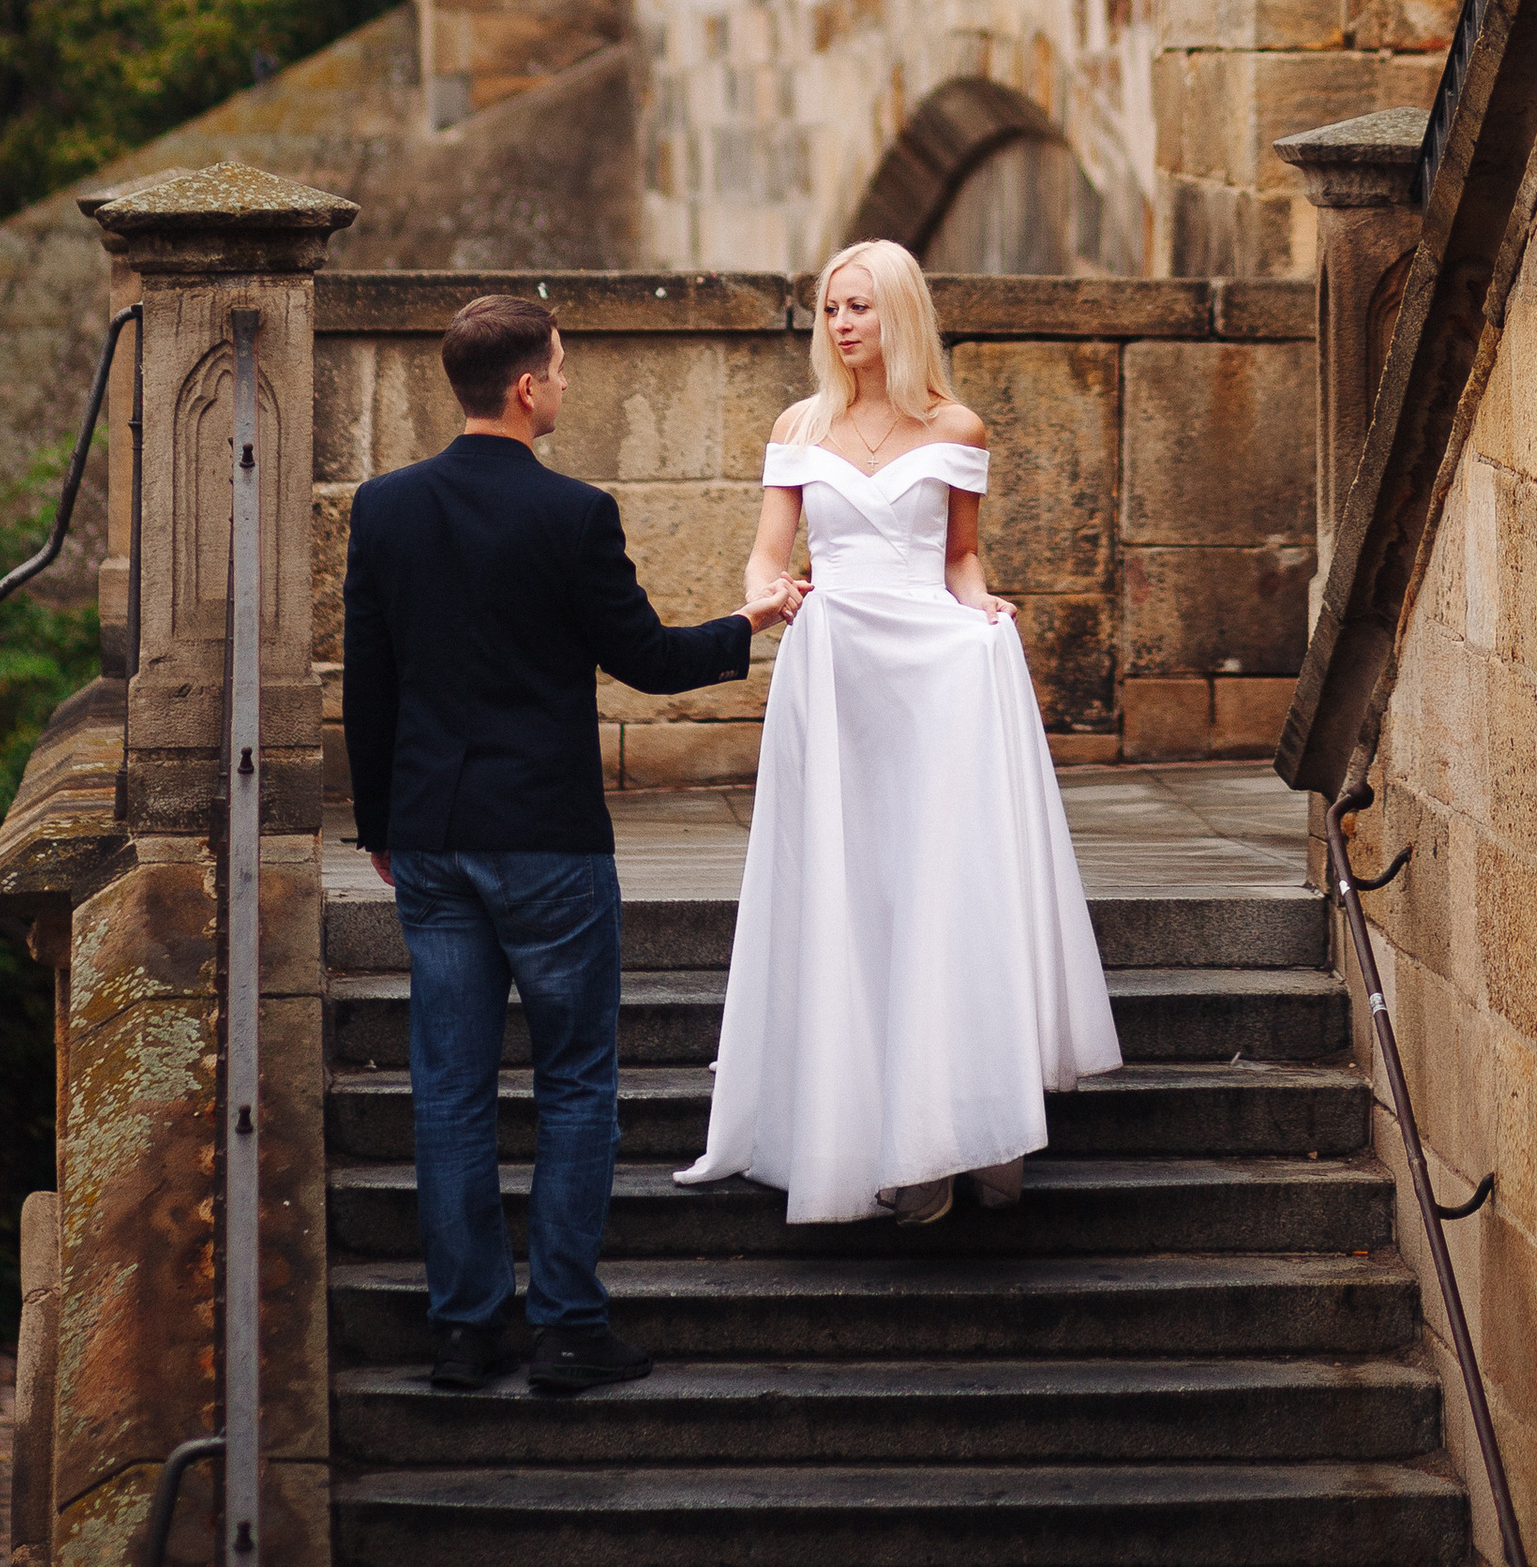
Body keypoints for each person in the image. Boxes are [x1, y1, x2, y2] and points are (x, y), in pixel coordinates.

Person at [342, 291, 802, 1393]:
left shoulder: (385, 507)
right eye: (561, 368)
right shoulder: (573, 514)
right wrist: (756, 621)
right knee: (576, 1083)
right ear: (527, 388)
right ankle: (566, 1328)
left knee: (449, 1088)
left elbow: (370, 683)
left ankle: (462, 1331)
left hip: (435, 840)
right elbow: (644, 658)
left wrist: (380, 829)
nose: (566, 385)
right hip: (547, 839)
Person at [678, 239, 1118, 1226]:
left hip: (932, 675)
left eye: (860, 308)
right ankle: (858, 1123)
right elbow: (764, 557)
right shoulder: (800, 425)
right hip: (835, 674)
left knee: (939, 886)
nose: (841, 324)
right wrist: (771, 598)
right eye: (831, 308)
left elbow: (960, 556)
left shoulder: (956, 425)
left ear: (900, 315)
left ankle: (956, 1125)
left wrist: (984, 611)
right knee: (852, 883)